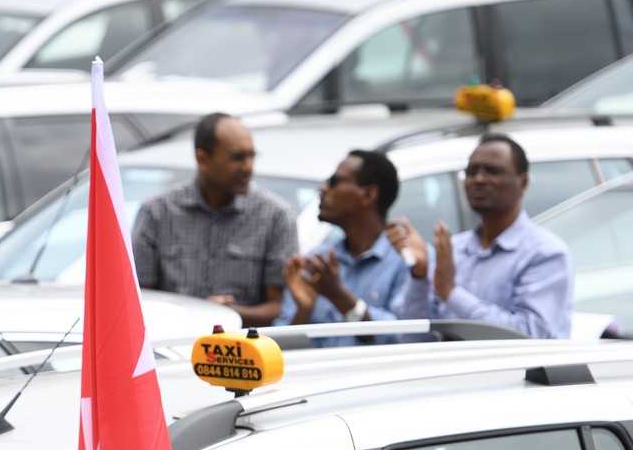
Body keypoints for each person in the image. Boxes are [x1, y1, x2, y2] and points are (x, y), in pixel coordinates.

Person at [390, 134, 574, 339]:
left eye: (492, 171)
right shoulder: (454, 249)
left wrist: (451, 293)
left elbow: (532, 335)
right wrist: (420, 274)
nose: (478, 179)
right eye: (471, 171)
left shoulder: (546, 253)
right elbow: (413, 338)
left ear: (522, 182)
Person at [132, 112, 299, 326]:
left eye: (252, 156)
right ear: (202, 159)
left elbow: (279, 308)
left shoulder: (277, 217)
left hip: (243, 354)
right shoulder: (157, 213)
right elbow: (140, 301)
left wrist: (226, 313)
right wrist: (194, 314)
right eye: (237, 157)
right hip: (172, 349)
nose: (248, 167)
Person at [278, 150, 409, 347]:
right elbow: (279, 350)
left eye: (334, 181)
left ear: (368, 194)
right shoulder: (317, 260)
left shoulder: (406, 262)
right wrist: (303, 311)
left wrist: (339, 296)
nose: (322, 189)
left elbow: (406, 339)